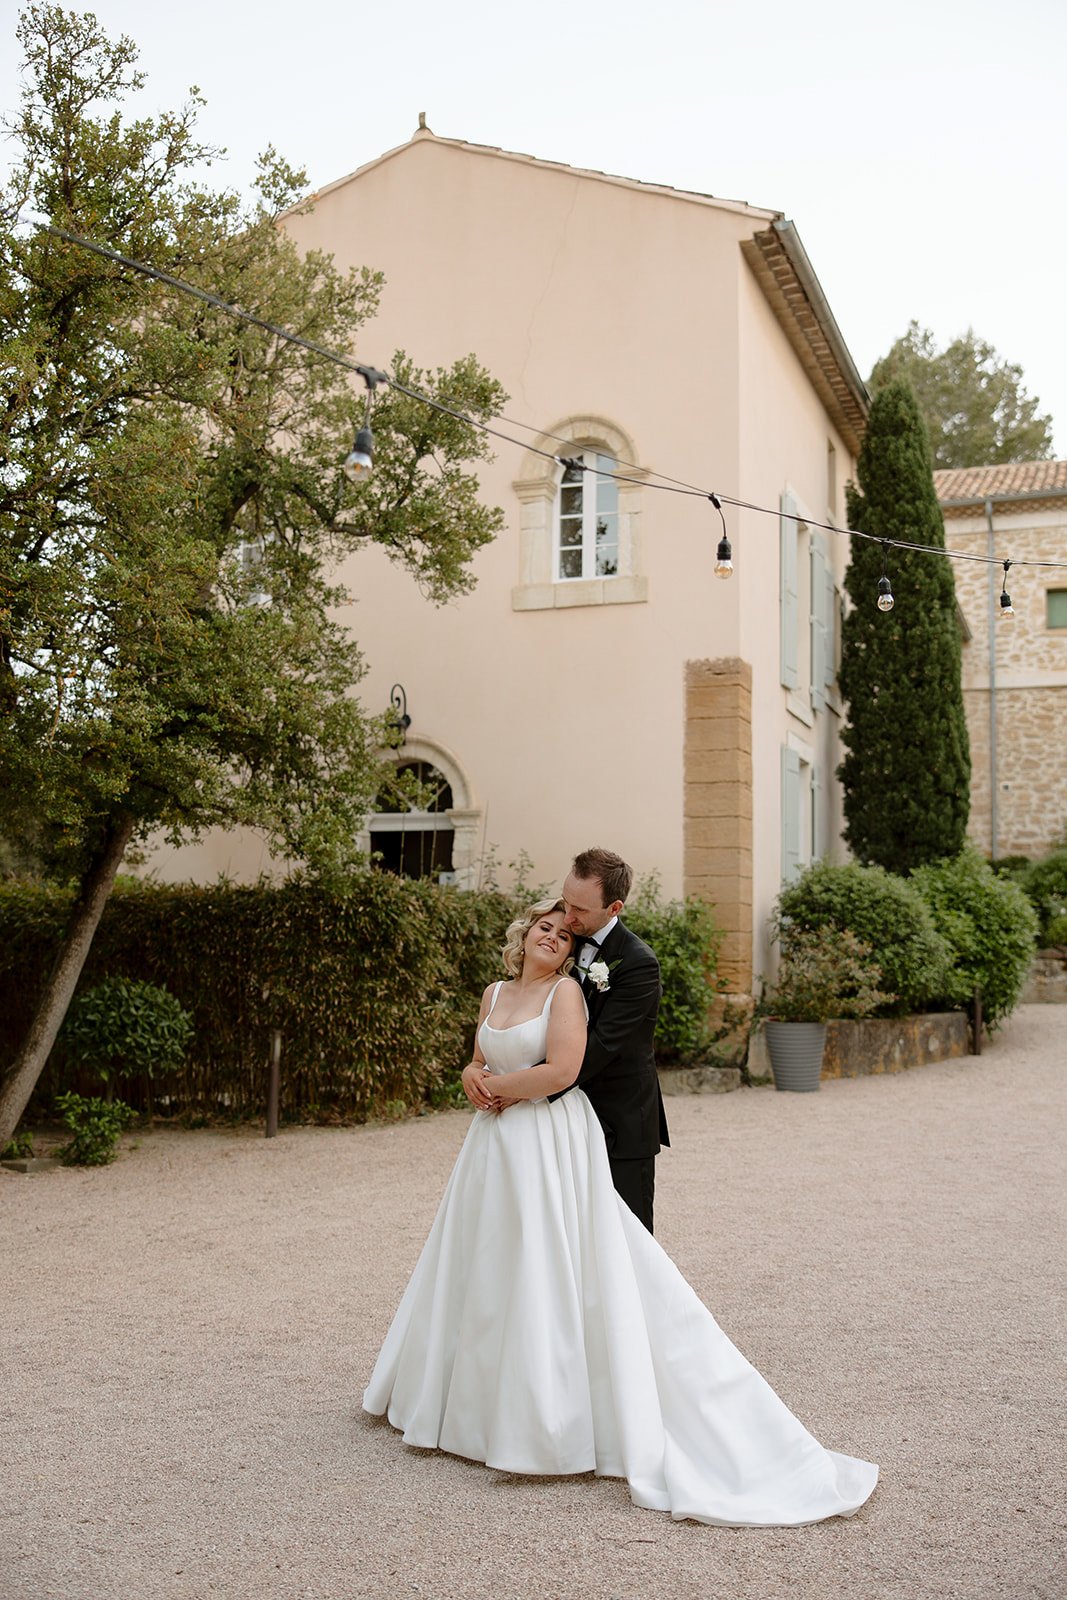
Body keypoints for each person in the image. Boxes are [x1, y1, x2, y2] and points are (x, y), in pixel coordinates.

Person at [363, 896, 878, 1528]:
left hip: (546, 1139)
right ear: (524, 937)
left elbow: (561, 1071)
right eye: (543, 928)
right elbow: (482, 1054)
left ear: (572, 952)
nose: (552, 937)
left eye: (563, 933)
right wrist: (473, 1074)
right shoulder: (494, 992)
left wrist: (493, 1089)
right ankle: (465, 1405)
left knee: (547, 1264)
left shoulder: (568, 996)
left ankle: (544, 1421)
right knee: (485, 1259)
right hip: (492, 1145)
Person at [463, 847, 668, 1233]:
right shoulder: (562, 946)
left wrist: (517, 1086)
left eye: (580, 910)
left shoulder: (638, 962)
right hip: (558, 1118)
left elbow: (602, 1046)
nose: (568, 917)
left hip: (617, 1121)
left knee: (627, 1238)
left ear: (614, 908)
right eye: (566, 900)